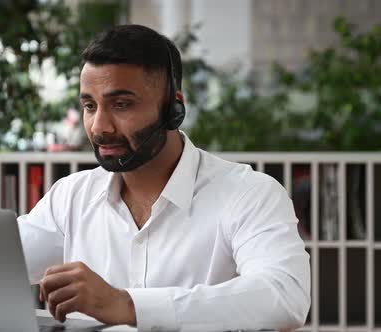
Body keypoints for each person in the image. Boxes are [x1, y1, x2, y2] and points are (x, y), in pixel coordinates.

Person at [18, 24, 310, 332]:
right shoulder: (71, 196)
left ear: (173, 108)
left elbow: (284, 296)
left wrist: (126, 305)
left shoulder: (248, 193)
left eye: (121, 104)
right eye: (90, 105)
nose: (99, 126)